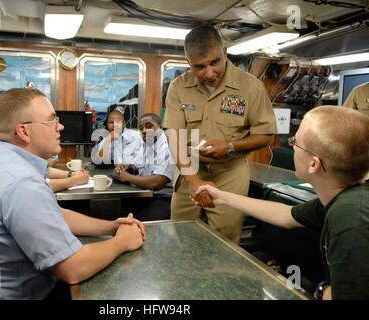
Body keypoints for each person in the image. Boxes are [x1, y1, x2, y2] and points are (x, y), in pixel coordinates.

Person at [0, 88, 146, 299]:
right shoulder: (21, 183)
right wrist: (122, 241)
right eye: (52, 121)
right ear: (24, 132)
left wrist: (111, 227)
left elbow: (52, 215)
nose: (60, 127)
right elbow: (73, 269)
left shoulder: (0, 156)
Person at [192, 106, 369, 300]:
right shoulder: (344, 199)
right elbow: (287, 215)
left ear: (314, 164)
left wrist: (325, 291)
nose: (292, 147)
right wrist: (222, 197)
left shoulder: (351, 219)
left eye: (296, 143)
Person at [162, 25, 277, 244]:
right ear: (189, 63)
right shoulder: (178, 87)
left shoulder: (251, 87)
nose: (209, 73)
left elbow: (266, 135)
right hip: (189, 172)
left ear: (224, 53)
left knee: (224, 242)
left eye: (214, 62)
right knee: (181, 238)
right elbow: (174, 138)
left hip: (229, 175)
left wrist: (231, 146)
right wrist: (193, 180)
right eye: (200, 66)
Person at [115, 113, 176, 221]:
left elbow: (157, 182)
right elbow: (137, 166)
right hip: (146, 196)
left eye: (149, 126)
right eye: (141, 128)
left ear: (160, 128)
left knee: (135, 223)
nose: (144, 130)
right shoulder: (147, 144)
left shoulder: (167, 147)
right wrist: (126, 168)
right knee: (117, 213)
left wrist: (127, 177)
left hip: (164, 199)